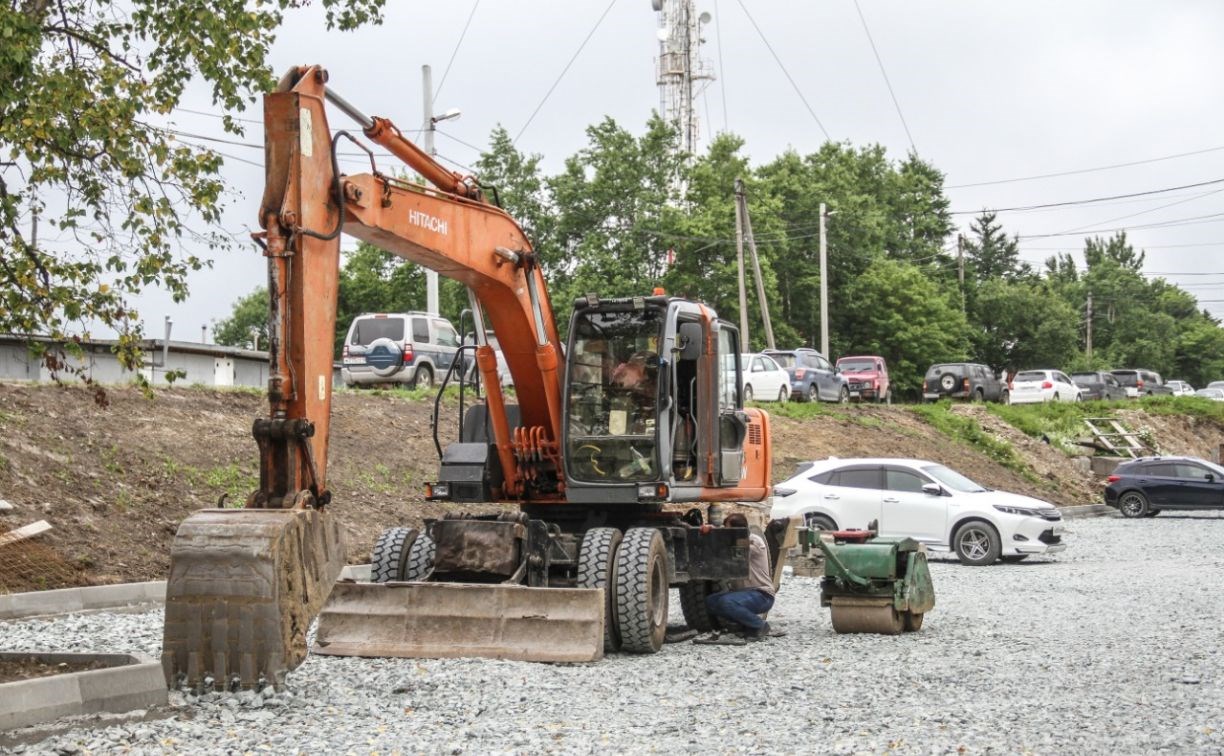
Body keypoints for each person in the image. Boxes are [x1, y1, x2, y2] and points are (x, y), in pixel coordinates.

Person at [705, 513, 775, 640]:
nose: (726, 534)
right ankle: (739, 626)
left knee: (727, 602)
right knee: (711, 601)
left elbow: (739, 547)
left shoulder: (755, 542)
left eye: (729, 531)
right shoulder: (735, 542)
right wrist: (712, 531)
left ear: (738, 531)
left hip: (762, 595)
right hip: (744, 594)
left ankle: (760, 625)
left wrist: (716, 535)